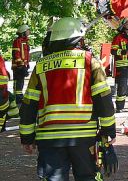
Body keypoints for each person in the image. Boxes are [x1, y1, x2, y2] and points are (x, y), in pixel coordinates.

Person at [20, 17, 118, 181]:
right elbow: (103, 100)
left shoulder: (41, 66)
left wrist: (27, 137)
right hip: (83, 137)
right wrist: (108, 130)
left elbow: (29, 104)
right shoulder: (89, 62)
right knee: (88, 177)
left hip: (49, 138)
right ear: (78, 39)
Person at [12, 24, 30, 107]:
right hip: (18, 67)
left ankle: (19, 97)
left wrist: (27, 64)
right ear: (23, 32)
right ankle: (17, 98)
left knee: (21, 82)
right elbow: (16, 54)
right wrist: (21, 65)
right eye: (27, 30)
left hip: (22, 66)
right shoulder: (17, 41)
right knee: (18, 83)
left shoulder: (25, 42)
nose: (29, 32)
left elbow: (26, 55)